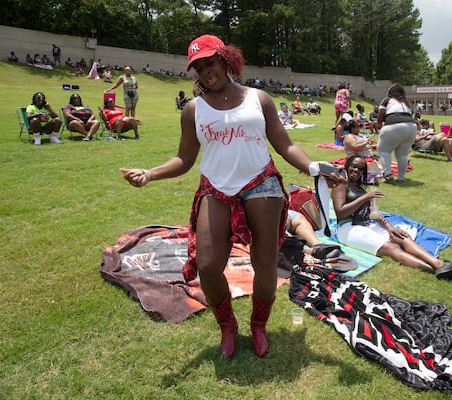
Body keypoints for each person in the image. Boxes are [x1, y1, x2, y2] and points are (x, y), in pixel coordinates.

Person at [119, 34, 344, 359]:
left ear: (226, 60)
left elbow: (286, 144)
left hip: (261, 184)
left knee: (265, 265)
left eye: (210, 62)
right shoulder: (193, 110)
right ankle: (227, 326)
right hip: (215, 189)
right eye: (198, 67)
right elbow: (184, 159)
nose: (205, 71)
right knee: (208, 266)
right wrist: (150, 173)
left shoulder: (259, 99)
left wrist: (312, 166)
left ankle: (258, 325)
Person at [331, 154, 452, 279]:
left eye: (360, 169)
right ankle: (437, 270)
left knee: (401, 237)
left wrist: (389, 227)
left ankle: (438, 264)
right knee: (392, 248)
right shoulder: (341, 186)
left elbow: (372, 215)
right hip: (348, 229)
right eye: (354, 167)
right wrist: (366, 197)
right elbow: (340, 212)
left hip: (365, 225)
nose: (356, 171)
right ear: (347, 165)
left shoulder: (359, 188)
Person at [376, 83, 417, 182]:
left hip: (394, 125)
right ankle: (401, 178)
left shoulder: (387, 100)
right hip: (411, 127)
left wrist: (379, 124)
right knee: (402, 154)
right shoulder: (407, 102)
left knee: (383, 150)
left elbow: (381, 112)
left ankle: (387, 173)